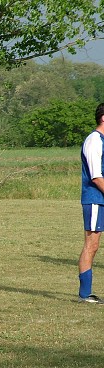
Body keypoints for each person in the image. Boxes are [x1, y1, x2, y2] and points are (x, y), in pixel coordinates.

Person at [78, 103, 104, 304]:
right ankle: (85, 294)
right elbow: (96, 177)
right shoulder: (94, 140)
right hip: (95, 199)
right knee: (92, 244)